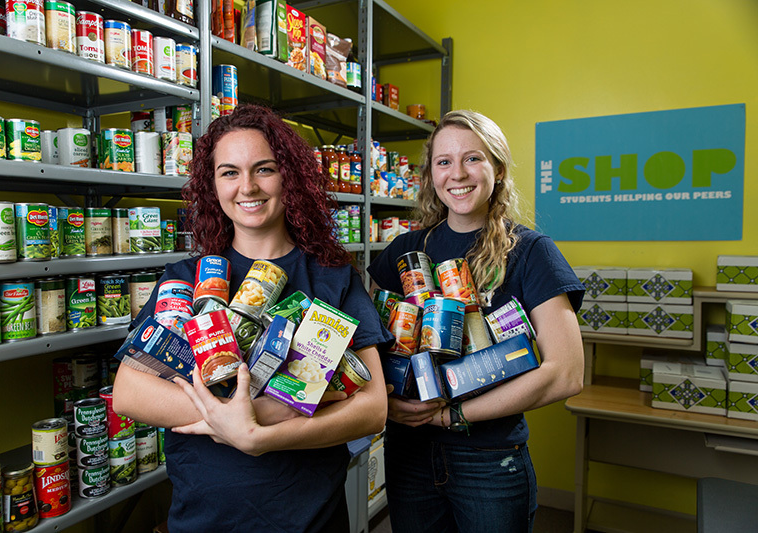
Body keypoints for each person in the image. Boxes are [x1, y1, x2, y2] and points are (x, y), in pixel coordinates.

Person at [113, 104, 393, 532]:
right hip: (206, 519)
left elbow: (373, 409)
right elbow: (130, 393)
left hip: (311, 519)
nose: (247, 187)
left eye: (264, 169)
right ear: (212, 186)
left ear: (289, 177)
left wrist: (257, 436)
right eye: (229, 172)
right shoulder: (184, 281)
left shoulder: (333, 278)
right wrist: (253, 411)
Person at [367, 110, 586, 533]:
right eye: (444, 162)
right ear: (430, 174)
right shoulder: (403, 251)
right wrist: (387, 405)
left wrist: (451, 416)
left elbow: (567, 373)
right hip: (409, 454)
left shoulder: (530, 251)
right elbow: (369, 352)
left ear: (498, 168)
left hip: (488, 460)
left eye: (473, 158)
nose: (457, 174)